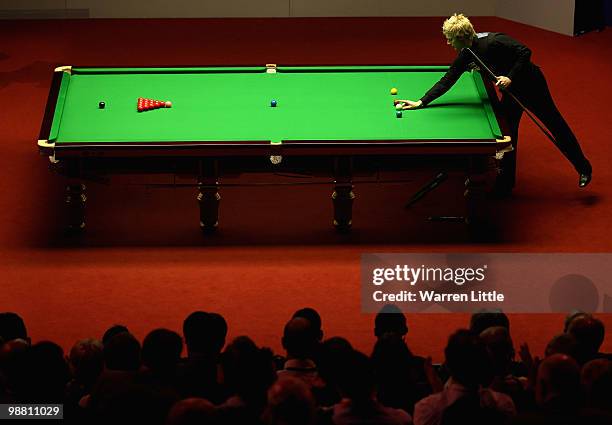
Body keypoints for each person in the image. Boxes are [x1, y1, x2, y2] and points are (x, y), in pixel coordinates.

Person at [397, 14, 592, 194]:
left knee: (555, 125)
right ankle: (506, 184)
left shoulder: (494, 41)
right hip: (512, 93)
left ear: (462, 37)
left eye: (451, 38)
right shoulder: (466, 54)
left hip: (532, 86)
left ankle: (583, 167)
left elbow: (525, 52)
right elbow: (447, 79)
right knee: (508, 135)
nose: (448, 42)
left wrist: (510, 77)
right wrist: (421, 101)